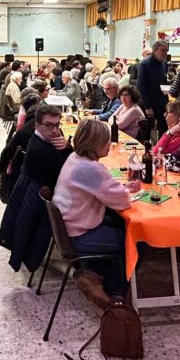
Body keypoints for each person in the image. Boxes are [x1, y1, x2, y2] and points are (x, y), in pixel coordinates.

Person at [52, 118, 137, 299]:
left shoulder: (74, 158)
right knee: (135, 241)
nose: (109, 144)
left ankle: (97, 273)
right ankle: (114, 293)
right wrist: (127, 190)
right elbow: (121, 201)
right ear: (94, 144)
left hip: (69, 226)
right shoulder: (89, 168)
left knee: (119, 224)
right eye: (105, 141)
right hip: (78, 235)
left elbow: (109, 191)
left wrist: (125, 189)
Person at [22, 104, 73, 189]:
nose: (54, 131)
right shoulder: (44, 151)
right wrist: (68, 148)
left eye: (57, 125)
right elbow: (71, 171)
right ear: (37, 125)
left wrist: (66, 146)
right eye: (49, 125)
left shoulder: (37, 137)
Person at [136, 40, 170, 135]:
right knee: (146, 131)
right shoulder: (145, 64)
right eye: (163, 50)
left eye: (167, 51)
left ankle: (161, 148)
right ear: (154, 51)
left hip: (161, 102)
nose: (165, 53)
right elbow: (141, 86)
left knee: (163, 128)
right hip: (148, 102)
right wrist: (147, 107)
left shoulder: (164, 64)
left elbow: (163, 83)